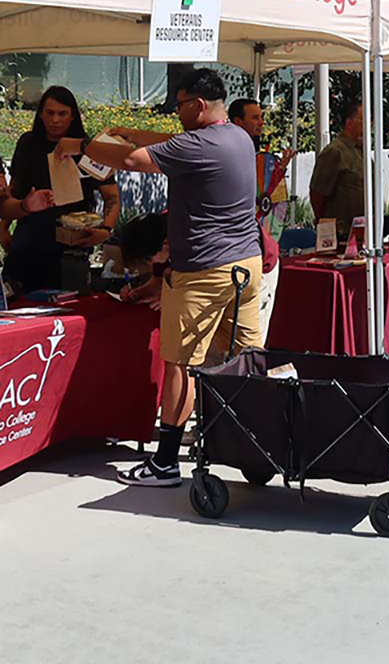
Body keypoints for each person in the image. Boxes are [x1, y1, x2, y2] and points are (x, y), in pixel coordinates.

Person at [74, 69, 263, 487]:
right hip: (245, 268)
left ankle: (164, 463)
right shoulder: (237, 138)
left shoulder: (199, 145)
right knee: (245, 359)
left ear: (197, 105)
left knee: (180, 365)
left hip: (203, 271)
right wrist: (130, 129)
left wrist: (90, 143)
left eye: (178, 105)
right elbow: (167, 145)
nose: (174, 113)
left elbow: (127, 161)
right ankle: (259, 443)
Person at [0, 86, 119, 294]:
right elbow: (15, 189)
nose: (55, 120)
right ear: (41, 115)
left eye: (62, 113)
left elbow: (112, 197)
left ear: (72, 116)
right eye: (50, 113)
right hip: (29, 241)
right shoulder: (28, 143)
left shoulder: (88, 149)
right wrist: (3, 228)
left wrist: (105, 230)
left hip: (72, 246)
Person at [229, 98, 292, 342]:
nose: (261, 122)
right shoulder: (231, 155)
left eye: (261, 117)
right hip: (240, 251)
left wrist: (278, 171)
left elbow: (270, 201)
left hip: (262, 250)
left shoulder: (257, 153)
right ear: (237, 121)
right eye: (254, 118)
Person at [309, 99, 364, 239]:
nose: (369, 124)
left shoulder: (361, 151)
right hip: (342, 233)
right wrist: (325, 225)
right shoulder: (335, 152)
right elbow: (317, 192)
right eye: (363, 119)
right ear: (349, 122)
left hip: (363, 231)